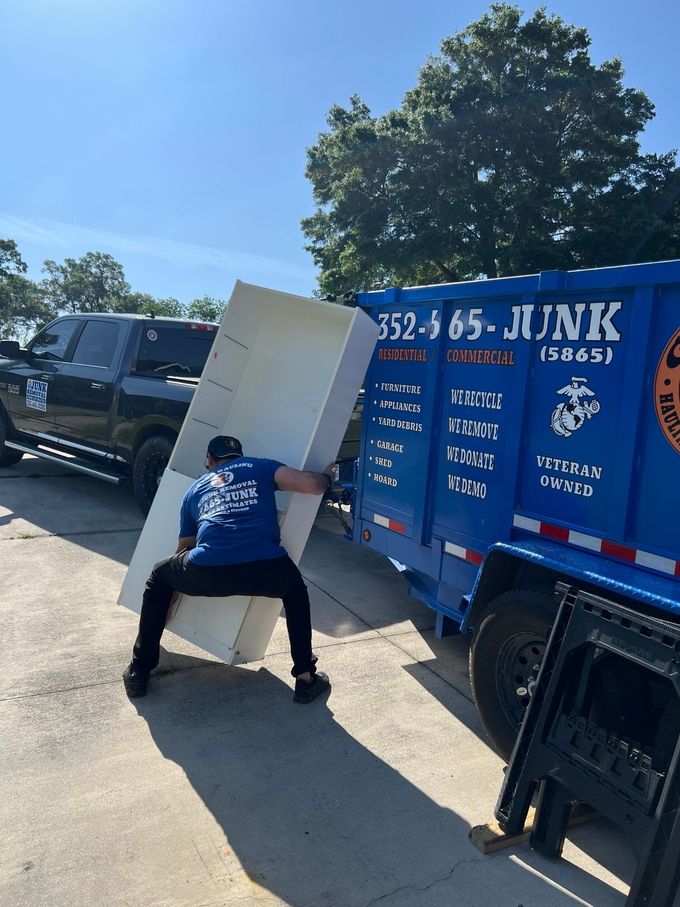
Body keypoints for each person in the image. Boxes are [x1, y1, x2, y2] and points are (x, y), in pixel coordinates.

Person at [123, 435, 335, 704]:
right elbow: (311, 484)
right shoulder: (259, 467)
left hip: (210, 570)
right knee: (295, 592)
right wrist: (327, 477)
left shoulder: (196, 488)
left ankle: (139, 671)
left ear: (210, 460)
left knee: (159, 576)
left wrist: (173, 594)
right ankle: (306, 679)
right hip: (265, 566)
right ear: (239, 456)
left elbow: (184, 549)